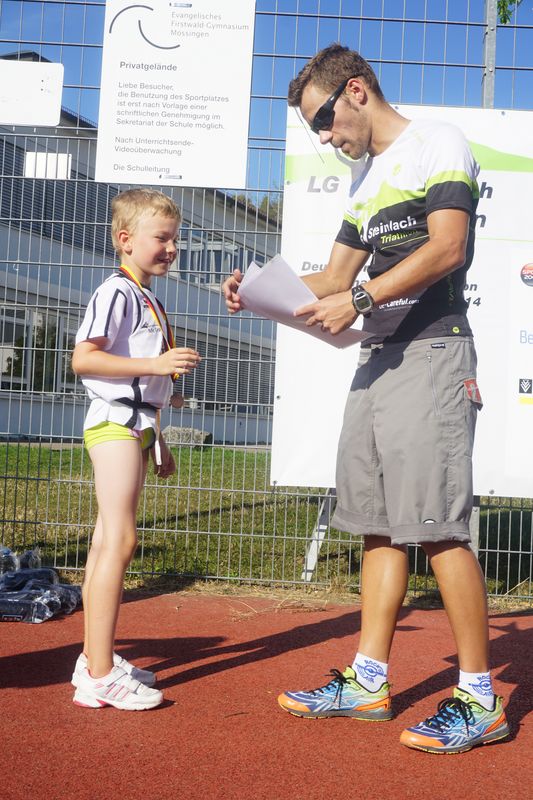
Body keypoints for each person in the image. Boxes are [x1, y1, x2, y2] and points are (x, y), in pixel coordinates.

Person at [222, 44, 510, 754]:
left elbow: (447, 248)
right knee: (376, 526)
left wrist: (359, 299)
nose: (324, 137)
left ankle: (480, 699)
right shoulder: (366, 178)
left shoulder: (436, 143)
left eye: (323, 119)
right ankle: (368, 682)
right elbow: (333, 276)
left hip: (432, 352)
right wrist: (257, 291)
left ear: (355, 90)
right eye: (313, 129)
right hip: (378, 358)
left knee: (437, 527)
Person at [71, 188, 201, 710]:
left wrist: (158, 435)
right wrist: (156, 365)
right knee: (119, 542)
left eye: (175, 239)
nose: (172, 248)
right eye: (162, 238)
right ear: (125, 240)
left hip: (134, 425)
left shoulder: (147, 297)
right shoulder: (116, 292)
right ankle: (99, 674)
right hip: (113, 424)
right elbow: (84, 359)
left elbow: (144, 383)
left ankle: (93, 659)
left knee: (107, 541)